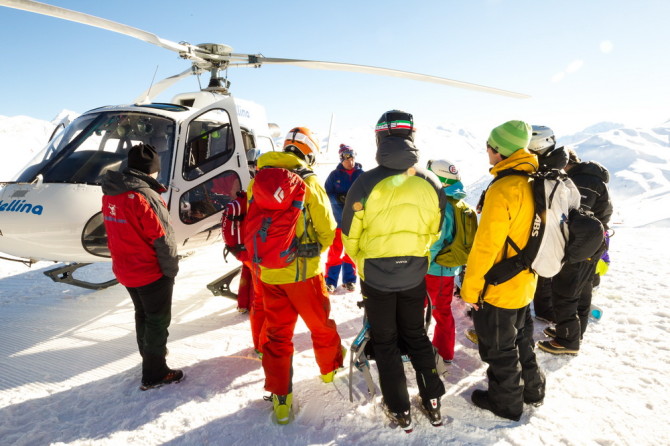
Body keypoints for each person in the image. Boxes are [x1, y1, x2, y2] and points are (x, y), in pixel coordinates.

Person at [341, 110, 446, 431]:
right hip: (414, 273)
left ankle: (399, 409)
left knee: (385, 342)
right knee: (416, 335)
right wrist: (416, 255)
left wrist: (365, 264)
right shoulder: (431, 181)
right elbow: (435, 231)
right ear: (411, 137)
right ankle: (432, 401)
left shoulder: (365, 182)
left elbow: (349, 235)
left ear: (379, 139)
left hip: (376, 276)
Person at [250, 127, 345, 425]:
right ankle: (329, 371)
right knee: (320, 324)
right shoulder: (309, 181)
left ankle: (280, 398)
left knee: (277, 336)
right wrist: (314, 250)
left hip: (270, 274)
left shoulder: (258, 180)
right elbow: (328, 229)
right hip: (305, 275)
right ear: (308, 152)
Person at [460, 120, 545, 422]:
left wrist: (470, 289)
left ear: (502, 152)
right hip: (525, 280)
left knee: (499, 349)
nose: (487, 150)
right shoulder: (533, 180)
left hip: (500, 286)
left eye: (491, 146)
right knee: (521, 338)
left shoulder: (504, 188)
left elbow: (486, 247)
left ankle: (506, 403)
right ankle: (533, 390)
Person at [101, 143, 183, 390]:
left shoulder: (111, 192)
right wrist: (171, 270)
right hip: (150, 271)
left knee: (142, 314)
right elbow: (163, 237)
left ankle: (149, 356)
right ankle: (155, 373)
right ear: (152, 170)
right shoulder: (144, 196)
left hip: (125, 269)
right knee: (157, 320)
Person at [538, 148, 613, 355]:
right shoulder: (590, 178)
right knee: (583, 287)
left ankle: (567, 340)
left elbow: (577, 216)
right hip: (592, 243)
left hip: (582, 243)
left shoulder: (582, 180)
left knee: (566, 290)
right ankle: (573, 333)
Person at [424, 159, 467, 365]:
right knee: (443, 311)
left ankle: (413, 348)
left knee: (415, 310)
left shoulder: (441, 205)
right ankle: (445, 351)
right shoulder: (459, 203)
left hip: (431, 269)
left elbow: (434, 241)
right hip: (449, 270)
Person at [324, 144, 364, 293]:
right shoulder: (334, 175)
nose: (350, 162)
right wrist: (338, 198)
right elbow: (326, 194)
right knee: (335, 251)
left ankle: (349, 280)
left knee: (351, 251)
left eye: (352, 158)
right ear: (341, 159)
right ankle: (330, 281)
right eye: (347, 159)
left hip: (355, 221)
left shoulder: (361, 175)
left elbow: (368, 194)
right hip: (339, 220)